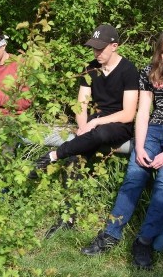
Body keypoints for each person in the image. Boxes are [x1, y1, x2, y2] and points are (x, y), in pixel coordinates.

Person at [81, 27, 163, 270]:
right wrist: (139, 146)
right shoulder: (149, 71)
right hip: (152, 130)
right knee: (134, 177)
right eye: (162, 52)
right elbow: (143, 112)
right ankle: (111, 234)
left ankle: (144, 241)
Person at [32, 24, 138, 171]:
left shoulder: (129, 70)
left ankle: (54, 155)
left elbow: (128, 114)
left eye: (100, 48)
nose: (96, 53)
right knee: (74, 161)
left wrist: (95, 123)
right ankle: (70, 190)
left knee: (101, 134)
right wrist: (83, 127)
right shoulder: (90, 68)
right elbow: (81, 104)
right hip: (96, 121)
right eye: (94, 48)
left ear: (114, 46)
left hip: (119, 124)